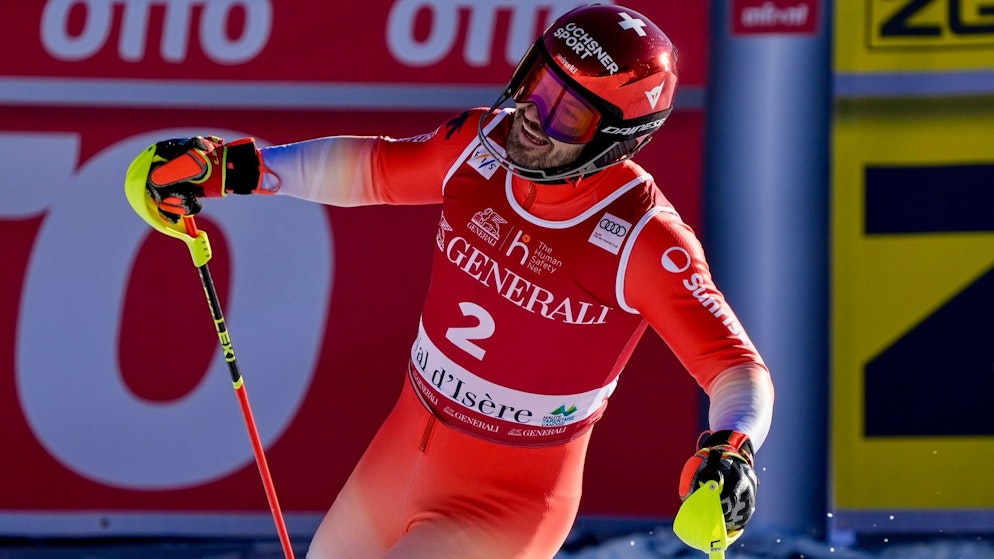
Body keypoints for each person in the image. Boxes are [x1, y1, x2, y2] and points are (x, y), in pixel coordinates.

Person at [139, 4, 774, 558]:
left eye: (566, 116)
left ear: (616, 141)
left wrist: (732, 448)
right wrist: (234, 168)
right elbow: (374, 169)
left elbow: (735, 366)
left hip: (503, 507)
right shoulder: (480, 144)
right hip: (393, 464)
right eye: (536, 84)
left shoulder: (642, 237)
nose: (532, 117)